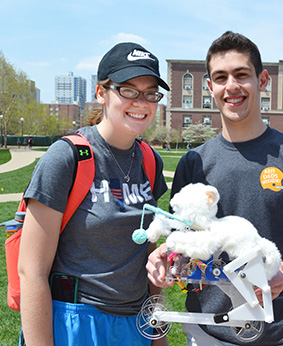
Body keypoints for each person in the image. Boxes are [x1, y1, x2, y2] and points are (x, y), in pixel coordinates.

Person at [147, 31, 283, 346]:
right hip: (205, 332)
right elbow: (183, 233)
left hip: (278, 334)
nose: (231, 86)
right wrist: (165, 256)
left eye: (241, 75)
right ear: (210, 87)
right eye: (220, 77)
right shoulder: (194, 162)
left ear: (262, 81)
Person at [18, 42, 170, 346]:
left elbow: (149, 253)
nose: (141, 102)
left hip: (135, 324)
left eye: (150, 92)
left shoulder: (150, 161)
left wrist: (158, 334)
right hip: (75, 323)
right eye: (128, 89)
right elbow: (31, 271)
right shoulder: (66, 158)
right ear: (101, 93)